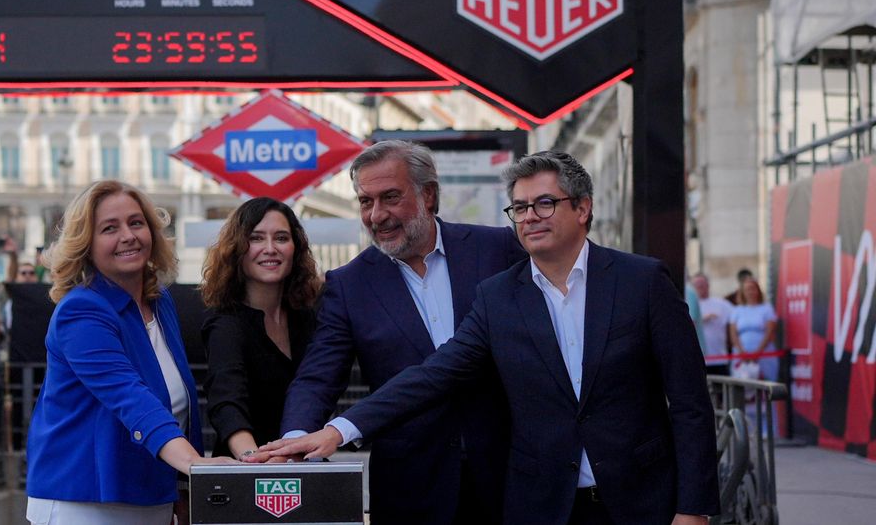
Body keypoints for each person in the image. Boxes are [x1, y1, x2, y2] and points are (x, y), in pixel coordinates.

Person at [258, 151, 719, 525]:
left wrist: (693, 506)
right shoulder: (484, 293)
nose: (377, 214)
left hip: (574, 488)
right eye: (520, 208)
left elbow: (691, 403)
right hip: (446, 490)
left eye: (392, 197)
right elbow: (429, 372)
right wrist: (325, 434)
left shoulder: (522, 257)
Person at [279, 140, 524, 524]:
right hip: (411, 487)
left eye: (390, 197)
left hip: (508, 476)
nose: (377, 215)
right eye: (365, 201)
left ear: (428, 194)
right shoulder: (349, 284)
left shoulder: (497, 249)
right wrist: (296, 438)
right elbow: (318, 377)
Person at [26, 181, 234, 524]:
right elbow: (132, 398)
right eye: (110, 228)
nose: (128, 235)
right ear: (86, 245)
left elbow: (178, 405)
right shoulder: (81, 310)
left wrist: (183, 486)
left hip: (151, 497)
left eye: (136, 223)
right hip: (83, 502)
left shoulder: (159, 301)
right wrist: (196, 466)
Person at [201, 198, 320, 459]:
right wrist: (255, 460)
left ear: (295, 248)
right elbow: (227, 402)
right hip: (249, 472)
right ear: (237, 249)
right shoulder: (226, 324)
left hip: (305, 466)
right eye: (255, 238)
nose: (270, 248)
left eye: (281, 238)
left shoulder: (308, 318)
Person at [728, 278, 778, 381]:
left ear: (758, 290)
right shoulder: (737, 310)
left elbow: (769, 332)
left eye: (753, 288)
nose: (750, 292)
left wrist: (757, 352)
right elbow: (733, 334)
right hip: (741, 354)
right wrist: (742, 352)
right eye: (747, 289)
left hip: (764, 354)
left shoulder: (767, 308)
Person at [693, 273, 734, 376]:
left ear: (708, 285)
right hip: (697, 359)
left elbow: (735, 323)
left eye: (702, 284)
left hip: (719, 358)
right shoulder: (688, 304)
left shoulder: (722, 304)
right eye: (697, 284)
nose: (700, 287)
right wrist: (702, 319)